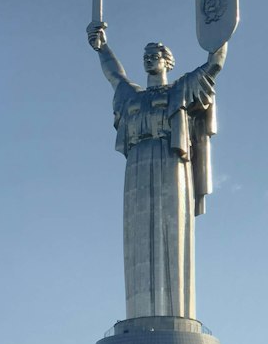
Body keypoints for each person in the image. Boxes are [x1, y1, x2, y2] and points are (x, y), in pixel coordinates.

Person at [87, 24, 227, 320]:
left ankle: (176, 314)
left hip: (171, 162)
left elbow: (214, 66)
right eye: (146, 56)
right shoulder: (132, 97)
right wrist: (102, 48)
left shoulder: (182, 89)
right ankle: (140, 316)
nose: (149, 59)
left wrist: (219, 33)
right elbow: (115, 75)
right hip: (137, 165)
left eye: (155, 55)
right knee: (138, 237)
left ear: (167, 61)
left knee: (171, 227)